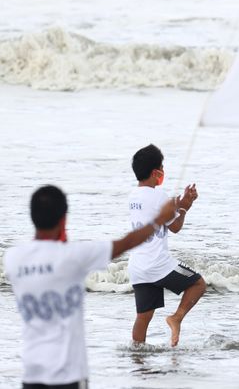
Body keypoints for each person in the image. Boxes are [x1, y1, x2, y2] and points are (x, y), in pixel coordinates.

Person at [3, 185, 177, 389]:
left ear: (32, 217)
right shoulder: (75, 256)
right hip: (70, 375)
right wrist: (160, 219)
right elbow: (128, 242)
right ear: (63, 219)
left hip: (31, 375)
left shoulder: (13, 259)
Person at [128, 144, 206, 347]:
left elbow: (158, 213)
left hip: (138, 267)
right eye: (162, 167)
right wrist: (186, 206)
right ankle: (177, 317)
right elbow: (176, 226)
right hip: (158, 264)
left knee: (143, 317)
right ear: (156, 172)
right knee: (198, 284)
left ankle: (138, 359)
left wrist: (177, 204)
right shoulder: (160, 196)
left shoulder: (133, 196)